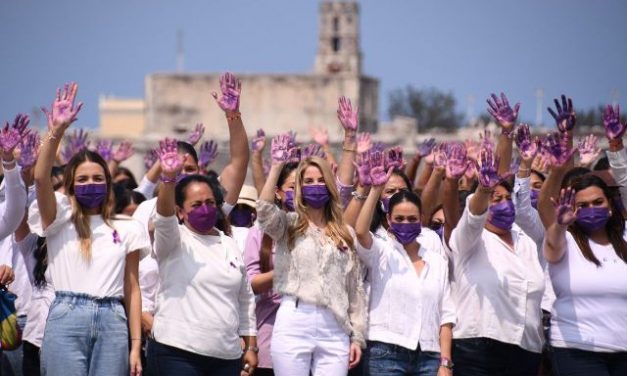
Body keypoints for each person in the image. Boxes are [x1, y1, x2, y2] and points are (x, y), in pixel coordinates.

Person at [29, 83, 148, 375]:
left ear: (108, 183)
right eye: (82, 180)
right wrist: (56, 131)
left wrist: (135, 346)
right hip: (68, 317)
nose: (90, 184)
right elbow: (42, 178)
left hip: (113, 320)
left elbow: (132, 288)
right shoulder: (58, 216)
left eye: (97, 178)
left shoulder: (127, 227)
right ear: (70, 185)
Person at [257, 134, 367, 375]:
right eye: (308, 181)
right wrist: (275, 166)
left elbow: (354, 289)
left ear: (329, 186)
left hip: (334, 325)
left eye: (320, 180)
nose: (315, 186)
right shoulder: (289, 224)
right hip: (295, 319)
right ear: (299, 187)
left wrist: (357, 337)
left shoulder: (344, 232)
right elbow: (264, 212)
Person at [147, 138, 257, 375]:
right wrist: (167, 179)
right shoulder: (173, 239)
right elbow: (164, 218)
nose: (205, 209)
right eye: (196, 204)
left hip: (226, 356)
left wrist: (251, 346)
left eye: (209, 202)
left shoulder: (228, 243)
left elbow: (245, 299)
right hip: (176, 353)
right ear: (180, 211)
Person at [448, 145, 545, 376]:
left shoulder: (527, 241)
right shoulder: (470, 239)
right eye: (495, 198)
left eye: (506, 198)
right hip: (479, 348)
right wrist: (483, 189)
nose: (503, 204)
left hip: (526, 349)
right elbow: (473, 216)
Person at [354, 160, 455, 376]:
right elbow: (361, 232)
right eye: (399, 218)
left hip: (429, 355)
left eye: (412, 219)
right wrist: (375, 190)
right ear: (389, 220)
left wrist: (445, 362)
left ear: (421, 221)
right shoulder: (381, 251)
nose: (406, 223)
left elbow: (446, 314)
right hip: (385, 353)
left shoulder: (435, 260)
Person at [543, 174, 627, 375]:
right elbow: (553, 244)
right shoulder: (566, 240)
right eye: (583, 205)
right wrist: (560, 225)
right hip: (576, 349)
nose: (591, 209)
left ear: (610, 205)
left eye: (598, 202)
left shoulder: (624, 238)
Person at [244, 161, 298, 376]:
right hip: (270, 337)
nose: (300, 192)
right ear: (278, 192)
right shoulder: (259, 231)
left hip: (312, 343)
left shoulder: (322, 229)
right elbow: (251, 284)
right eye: (293, 186)